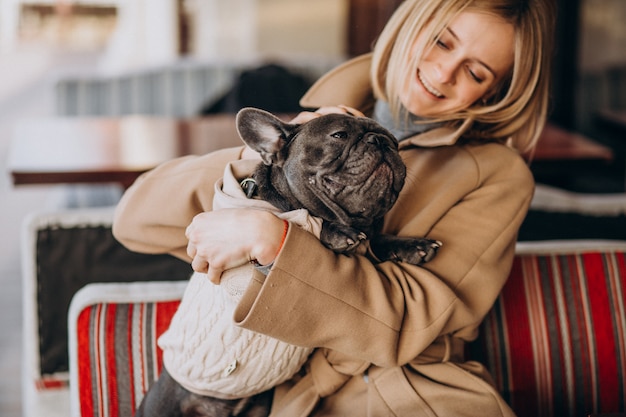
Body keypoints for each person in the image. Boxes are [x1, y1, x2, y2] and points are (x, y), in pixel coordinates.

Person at [113, 0, 555, 415]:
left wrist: (274, 241)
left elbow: (410, 320)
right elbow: (134, 222)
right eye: (441, 41)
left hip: (398, 392)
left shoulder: (495, 173)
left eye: (475, 73)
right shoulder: (306, 123)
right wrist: (275, 159)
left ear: (496, 92)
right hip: (273, 388)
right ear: (410, 23)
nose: (442, 73)